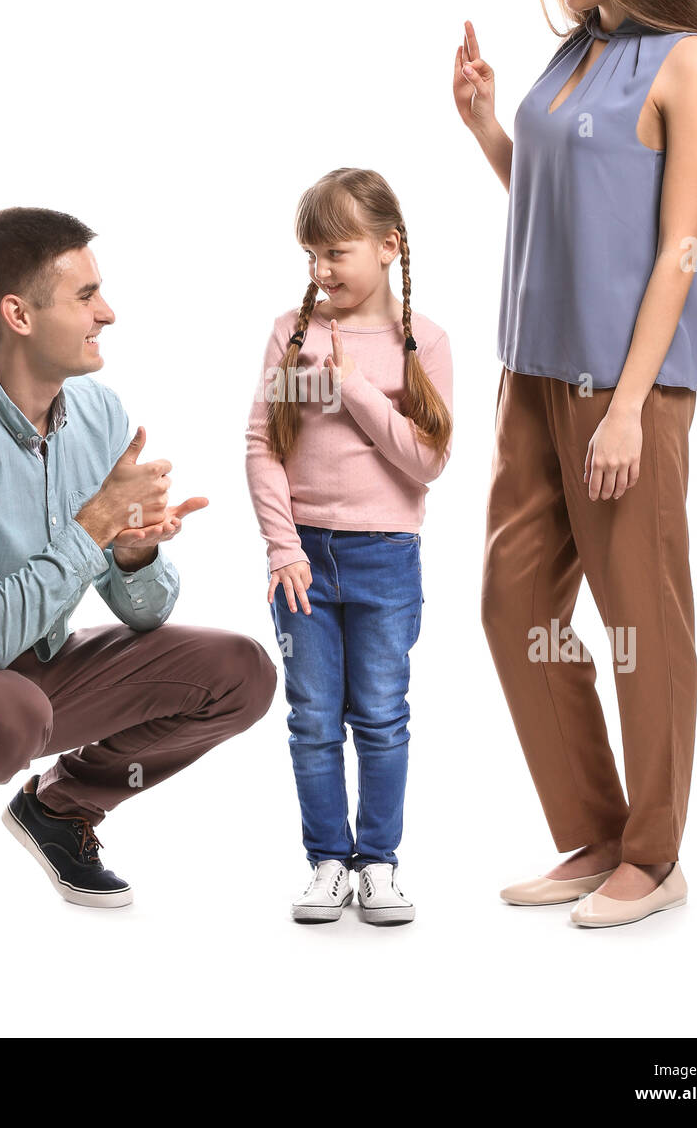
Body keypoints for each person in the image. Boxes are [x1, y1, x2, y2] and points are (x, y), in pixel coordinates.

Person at [0, 206, 277, 940]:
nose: (107, 313)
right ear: (17, 313)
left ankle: (61, 805)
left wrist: (134, 553)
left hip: (31, 679)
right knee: (8, 709)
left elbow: (142, 614)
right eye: (85, 296)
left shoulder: (101, 416)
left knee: (242, 670)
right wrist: (92, 528)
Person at [453, 0, 697, 928]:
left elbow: (677, 247)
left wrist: (627, 402)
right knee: (512, 601)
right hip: (529, 372)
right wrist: (486, 125)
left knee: (638, 622)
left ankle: (654, 858)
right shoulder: (574, 55)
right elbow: (557, 213)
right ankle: (596, 830)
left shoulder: (687, 63)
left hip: (625, 388)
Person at [245, 168, 453, 925]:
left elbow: (426, 460)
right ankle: (329, 862)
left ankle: (380, 865)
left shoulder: (423, 341)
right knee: (311, 715)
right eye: (312, 257)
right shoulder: (291, 335)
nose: (322, 272)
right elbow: (262, 445)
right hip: (302, 559)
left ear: (388, 246)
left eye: (336, 252)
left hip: (384, 559)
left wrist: (356, 389)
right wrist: (282, 548)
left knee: (380, 715)